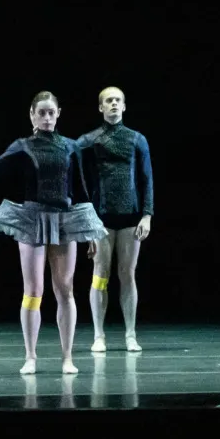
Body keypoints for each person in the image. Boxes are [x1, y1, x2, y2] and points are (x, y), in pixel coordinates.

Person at [0, 91, 104, 375]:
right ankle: (30, 356)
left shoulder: (71, 147)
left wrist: (91, 230)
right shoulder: (23, 146)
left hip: (65, 221)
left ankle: (67, 358)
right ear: (32, 115)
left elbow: (82, 190)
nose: (47, 118)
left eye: (51, 112)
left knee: (65, 290)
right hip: (32, 219)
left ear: (58, 113)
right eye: (41, 113)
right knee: (34, 290)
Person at [76, 87, 153, 354]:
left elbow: (147, 178)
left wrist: (147, 214)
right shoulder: (90, 140)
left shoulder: (137, 139)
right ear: (101, 107)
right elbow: (73, 166)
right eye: (108, 101)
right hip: (101, 218)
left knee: (127, 274)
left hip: (131, 217)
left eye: (118, 100)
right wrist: (86, 220)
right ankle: (99, 335)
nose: (113, 104)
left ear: (124, 106)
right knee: (100, 275)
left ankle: (130, 334)